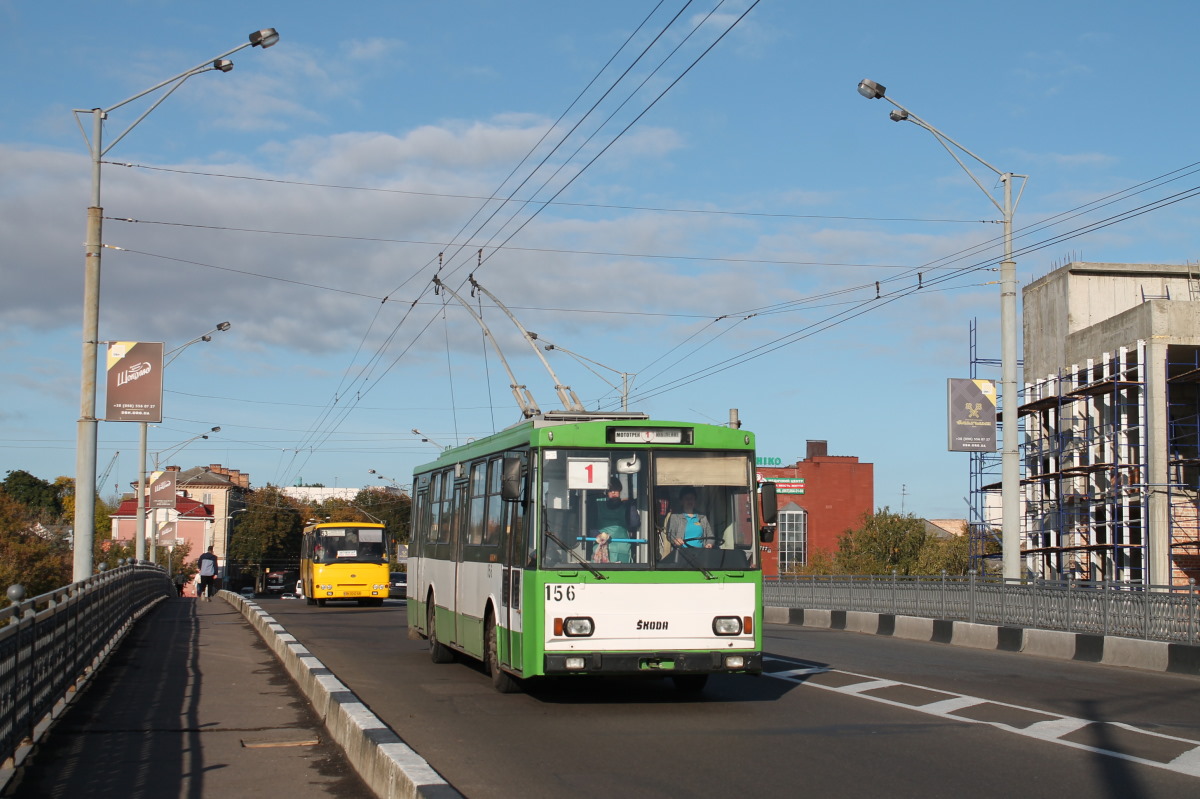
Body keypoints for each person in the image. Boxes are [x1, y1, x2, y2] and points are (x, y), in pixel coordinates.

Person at [591, 477, 639, 563]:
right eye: (610, 490)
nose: (613, 492)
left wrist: (631, 506)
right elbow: (591, 526)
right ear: (606, 492)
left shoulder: (627, 506)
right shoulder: (597, 505)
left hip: (622, 551)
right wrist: (598, 535)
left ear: (620, 491)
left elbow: (634, 524)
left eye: (616, 490)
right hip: (600, 549)